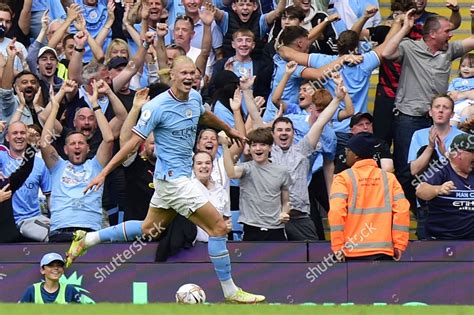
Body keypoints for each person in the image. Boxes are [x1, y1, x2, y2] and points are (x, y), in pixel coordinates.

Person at [66, 56, 265, 303]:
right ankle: (231, 292)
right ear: (172, 75)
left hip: (172, 180)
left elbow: (204, 116)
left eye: (193, 73)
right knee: (220, 227)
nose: (189, 77)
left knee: (149, 228)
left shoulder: (194, 96)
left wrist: (229, 129)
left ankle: (87, 239)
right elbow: (131, 144)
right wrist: (103, 172)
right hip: (175, 181)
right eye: (184, 73)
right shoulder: (156, 107)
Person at [381, 10, 474, 208]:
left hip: (438, 120)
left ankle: (433, 210)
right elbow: (386, 53)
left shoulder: (449, 50)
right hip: (409, 119)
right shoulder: (409, 47)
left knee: (440, 166)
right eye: (447, 30)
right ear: (433, 34)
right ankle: (411, 212)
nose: (451, 34)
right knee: (407, 171)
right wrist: (405, 27)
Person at [40, 81, 115, 242]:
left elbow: (108, 139)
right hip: (61, 230)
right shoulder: (57, 165)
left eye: (81, 143)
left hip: (91, 232)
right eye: (72, 143)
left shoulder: (96, 165)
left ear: (88, 148)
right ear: (66, 150)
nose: (77, 146)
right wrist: (54, 108)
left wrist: (95, 105)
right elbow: (44, 144)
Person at [328, 132, 410, 261]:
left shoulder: (343, 178)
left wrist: (338, 246)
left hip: (353, 252)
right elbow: (402, 211)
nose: (345, 154)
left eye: (347, 150)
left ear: (356, 154)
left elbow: (336, 212)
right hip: (383, 251)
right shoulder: (389, 178)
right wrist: (399, 245)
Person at [221, 127, 291, 241]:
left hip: (276, 229)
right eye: (254, 145)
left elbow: (286, 201)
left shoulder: (282, 171)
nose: (258, 148)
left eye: (262, 144)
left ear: (270, 147)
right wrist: (224, 146)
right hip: (251, 229)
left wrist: (285, 212)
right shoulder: (246, 168)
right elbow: (231, 173)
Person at [415, 133, 474, 239]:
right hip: (441, 239)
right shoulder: (440, 170)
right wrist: (438, 189)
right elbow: (420, 190)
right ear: (458, 154)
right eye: (472, 152)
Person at [0, 121, 51, 242]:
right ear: (7, 137)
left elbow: (24, 170)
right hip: (14, 227)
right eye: (15, 133)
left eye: (22, 133)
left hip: (32, 220)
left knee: (59, 230)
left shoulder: (6, 182)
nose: (19, 136)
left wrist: (31, 147)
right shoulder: (2, 155)